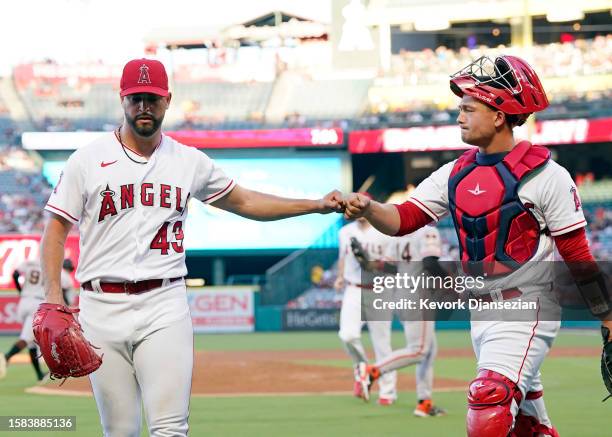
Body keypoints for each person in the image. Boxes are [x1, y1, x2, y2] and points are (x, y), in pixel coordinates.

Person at [40, 58, 343, 437]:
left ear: (168, 101)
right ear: (122, 100)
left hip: (163, 304)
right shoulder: (87, 160)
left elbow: (245, 202)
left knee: (170, 429)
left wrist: (314, 205)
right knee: (120, 432)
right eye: (136, 98)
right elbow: (55, 229)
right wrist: (52, 296)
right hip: (100, 308)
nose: (144, 107)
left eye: (152, 98)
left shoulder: (188, 161)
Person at [342, 55, 612, 436]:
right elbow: (403, 220)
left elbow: (577, 253)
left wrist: (606, 314)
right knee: (528, 426)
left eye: (468, 108)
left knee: (490, 401)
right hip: (481, 313)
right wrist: (369, 207)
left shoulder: (547, 175)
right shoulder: (455, 172)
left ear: (499, 115)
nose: (460, 117)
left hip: (527, 306)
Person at [361, 225, 447, 417]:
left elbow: (391, 267)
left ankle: (424, 403)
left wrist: (371, 264)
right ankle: (373, 371)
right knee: (418, 350)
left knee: (429, 351)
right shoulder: (427, 231)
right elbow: (430, 264)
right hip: (418, 295)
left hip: (401, 294)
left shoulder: (398, 234)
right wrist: (451, 281)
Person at [335, 211, 397, 405]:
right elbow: (343, 257)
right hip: (354, 288)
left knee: (382, 344)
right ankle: (362, 369)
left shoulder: (384, 229)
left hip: (380, 289)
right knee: (347, 335)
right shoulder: (345, 232)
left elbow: (395, 264)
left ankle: (388, 392)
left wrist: (374, 264)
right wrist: (339, 276)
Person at [0, 258, 73, 381]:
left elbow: (15, 274)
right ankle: (5, 357)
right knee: (27, 338)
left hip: (23, 301)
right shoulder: (53, 264)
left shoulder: (31, 262)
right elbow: (64, 288)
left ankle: (39, 374)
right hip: (37, 304)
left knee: (32, 341)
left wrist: (21, 290)